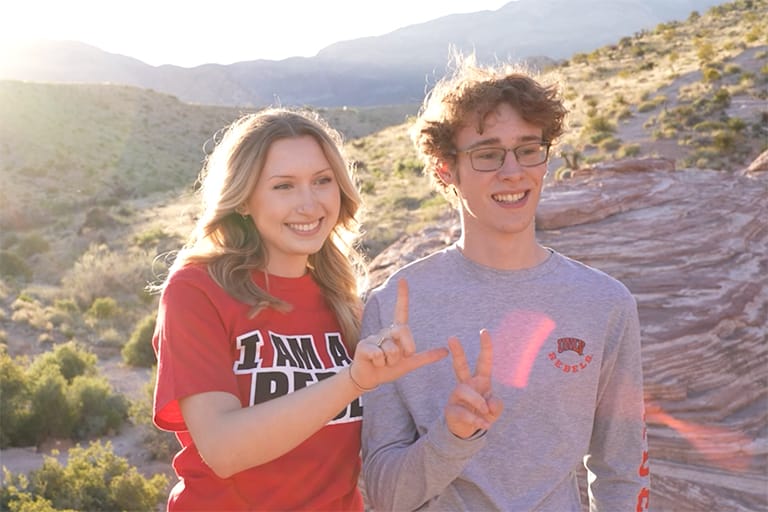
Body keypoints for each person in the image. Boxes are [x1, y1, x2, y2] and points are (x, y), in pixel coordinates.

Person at [360, 54, 650, 511]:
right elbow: (385, 495)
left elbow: (622, 471)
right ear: (444, 169)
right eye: (488, 154)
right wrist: (452, 436)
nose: (513, 171)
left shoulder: (604, 304)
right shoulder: (395, 305)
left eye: (529, 149)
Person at [151, 107, 448, 511]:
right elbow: (223, 449)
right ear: (242, 200)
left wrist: (457, 428)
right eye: (284, 186)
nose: (309, 205)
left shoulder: (343, 301)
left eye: (322, 181)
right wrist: (353, 381)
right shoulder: (197, 290)